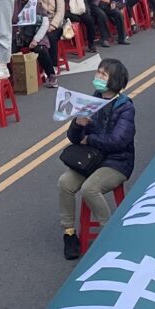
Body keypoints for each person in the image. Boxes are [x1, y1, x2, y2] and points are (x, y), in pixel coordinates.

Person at [58, 58, 135, 260]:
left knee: (89, 189)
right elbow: (74, 138)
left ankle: (110, 234)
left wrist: (90, 139)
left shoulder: (125, 107)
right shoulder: (92, 101)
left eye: (103, 74)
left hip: (117, 162)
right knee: (65, 183)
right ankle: (69, 233)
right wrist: (77, 124)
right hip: (92, 159)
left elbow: (118, 141)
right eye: (98, 72)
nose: (98, 77)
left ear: (114, 80)